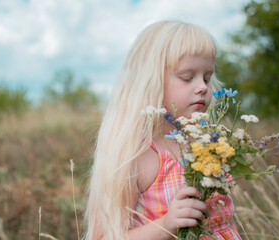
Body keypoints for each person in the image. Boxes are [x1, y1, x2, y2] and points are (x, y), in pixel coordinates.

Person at [84, 20, 242, 240]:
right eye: (188, 77)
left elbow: (224, 221)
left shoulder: (208, 145)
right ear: (150, 81)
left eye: (207, 77)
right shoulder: (137, 156)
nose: (203, 87)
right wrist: (167, 224)